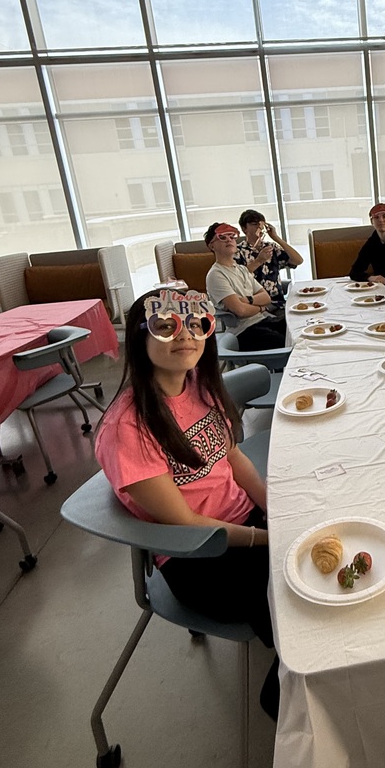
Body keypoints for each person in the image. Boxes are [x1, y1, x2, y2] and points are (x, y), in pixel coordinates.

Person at [94, 289, 279, 718]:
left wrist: (278, 508)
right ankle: (283, 696)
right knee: (299, 594)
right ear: (138, 338)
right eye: (166, 326)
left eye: (197, 324)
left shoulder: (199, 386)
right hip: (198, 558)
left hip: (245, 526)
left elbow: (235, 460)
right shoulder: (127, 427)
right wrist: (268, 539)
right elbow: (186, 523)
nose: (186, 335)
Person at [204, 222, 287, 350]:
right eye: (222, 237)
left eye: (232, 236)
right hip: (245, 331)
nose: (229, 240)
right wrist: (261, 308)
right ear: (212, 245)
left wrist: (248, 300)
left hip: (264, 320)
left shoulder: (241, 269)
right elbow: (240, 311)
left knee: (298, 328)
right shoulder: (216, 275)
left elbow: (266, 298)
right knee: (288, 343)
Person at [235, 209, 303, 314]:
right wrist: (259, 260)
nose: (259, 228)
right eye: (254, 224)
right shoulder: (237, 251)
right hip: (255, 306)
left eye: (261, 225)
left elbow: (298, 260)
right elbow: (237, 277)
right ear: (244, 229)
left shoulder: (271, 247)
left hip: (278, 303)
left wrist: (276, 238)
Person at [349, 202, 385, 291]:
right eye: (376, 217)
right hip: (383, 289)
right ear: (371, 222)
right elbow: (354, 272)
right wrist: (371, 278)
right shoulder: (371, 243)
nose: (381, 220)